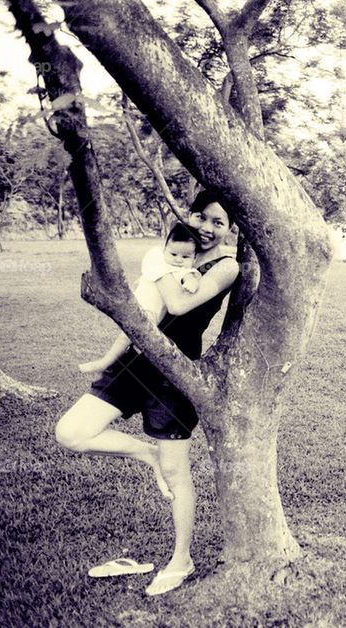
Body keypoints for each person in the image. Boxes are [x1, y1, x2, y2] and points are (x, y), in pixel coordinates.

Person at [56, 191, 240, 596]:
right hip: (134, 363)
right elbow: (143, 310)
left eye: (219, 222)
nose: (207, 228)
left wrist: (155, 265)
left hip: (174, 374)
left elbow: (175, 305)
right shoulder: (176, 248)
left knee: (177, 474)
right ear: (189, 216)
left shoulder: (226, 266)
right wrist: (109, 356)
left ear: (231, 230)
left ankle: (181, 559)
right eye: (201, 217)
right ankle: (146, 453)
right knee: (71, 432)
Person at [78, 223, 203, 376]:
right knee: (127, 336)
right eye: (173, 254)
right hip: (134, 304)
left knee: (126, 338)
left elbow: (192, 278)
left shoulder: (184, 271)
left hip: (150, 312)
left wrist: (191, 283)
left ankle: (105, 363)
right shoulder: (161, 264)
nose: (178, 260)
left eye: (185, 257)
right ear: (165, 250)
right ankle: (117, 361)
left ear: (195, 258)